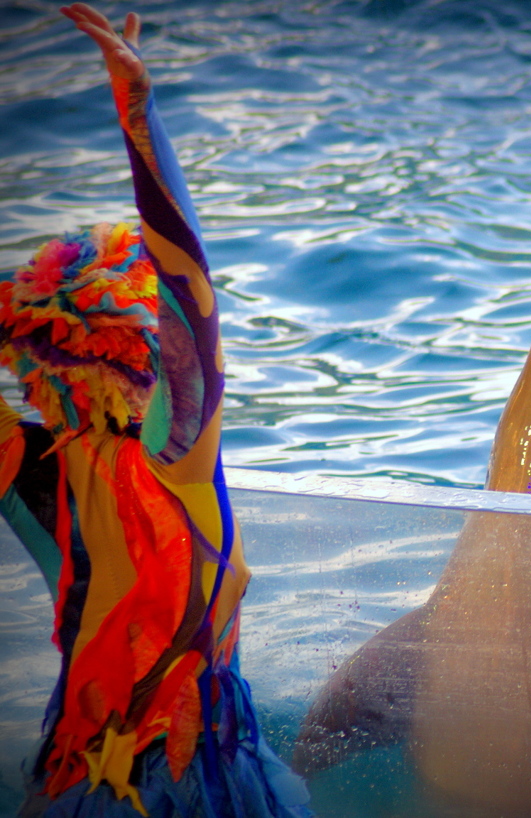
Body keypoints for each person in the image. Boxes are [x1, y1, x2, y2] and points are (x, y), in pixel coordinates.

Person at [0, 5, 313, 816]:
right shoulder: (175, 459)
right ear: (136, 361)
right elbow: (192, 300)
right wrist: (141, 122)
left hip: (70, 779)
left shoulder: (29, 468)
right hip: (193, 783)